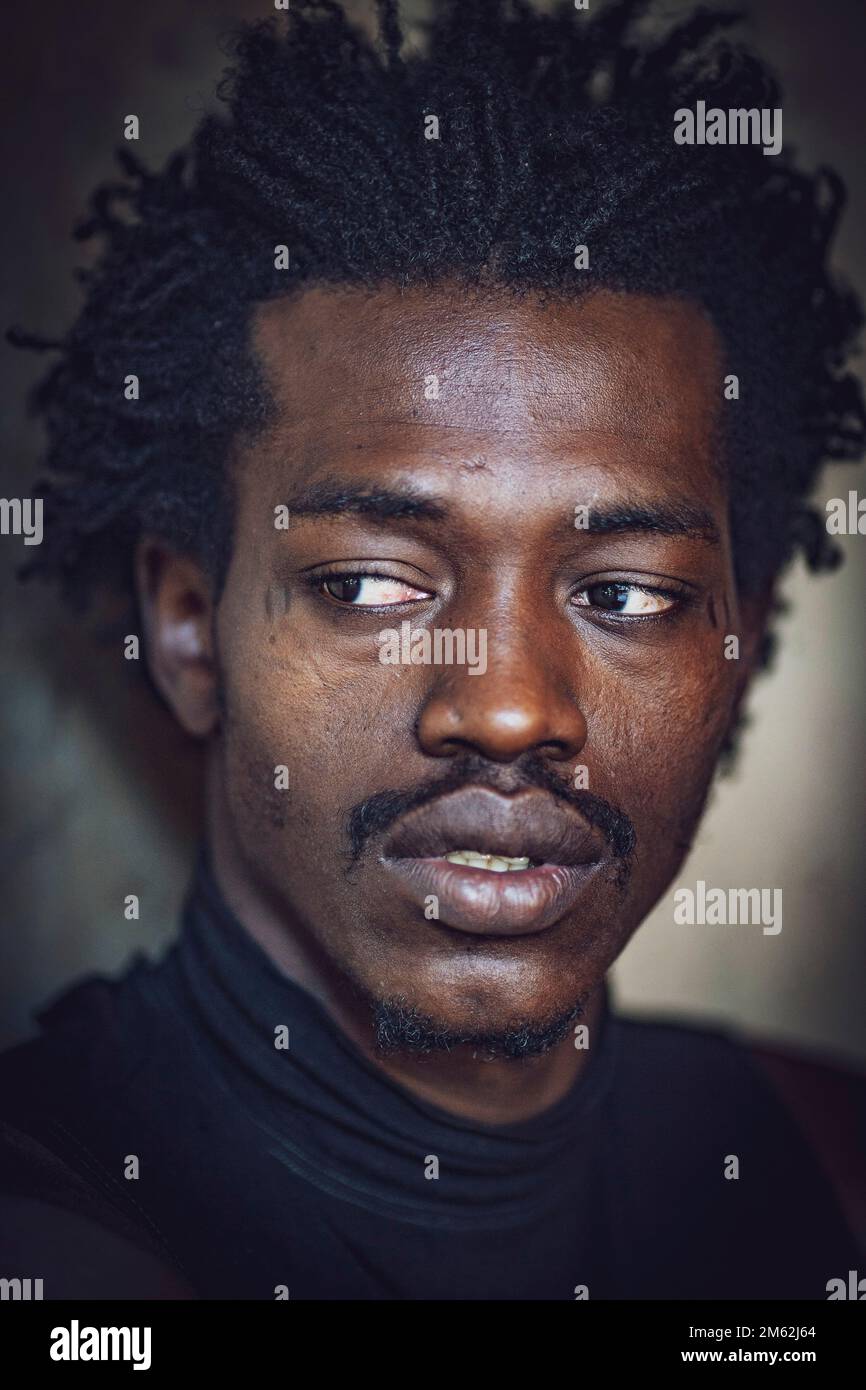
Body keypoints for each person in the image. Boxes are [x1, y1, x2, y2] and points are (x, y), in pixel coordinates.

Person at [1, 0, 863, 1300]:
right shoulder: (50, 1235)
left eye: (625, 594)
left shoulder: (822, 1155)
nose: (508, 706)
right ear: (190, 628)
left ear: (735, 652)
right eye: (364, 582)